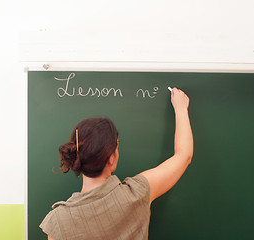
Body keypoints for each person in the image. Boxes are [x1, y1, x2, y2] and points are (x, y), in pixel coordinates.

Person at [39, 88, 193, 240]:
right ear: (110, 158)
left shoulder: (58, 221)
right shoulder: (137, 193)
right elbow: (183, 156)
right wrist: (181, 109)